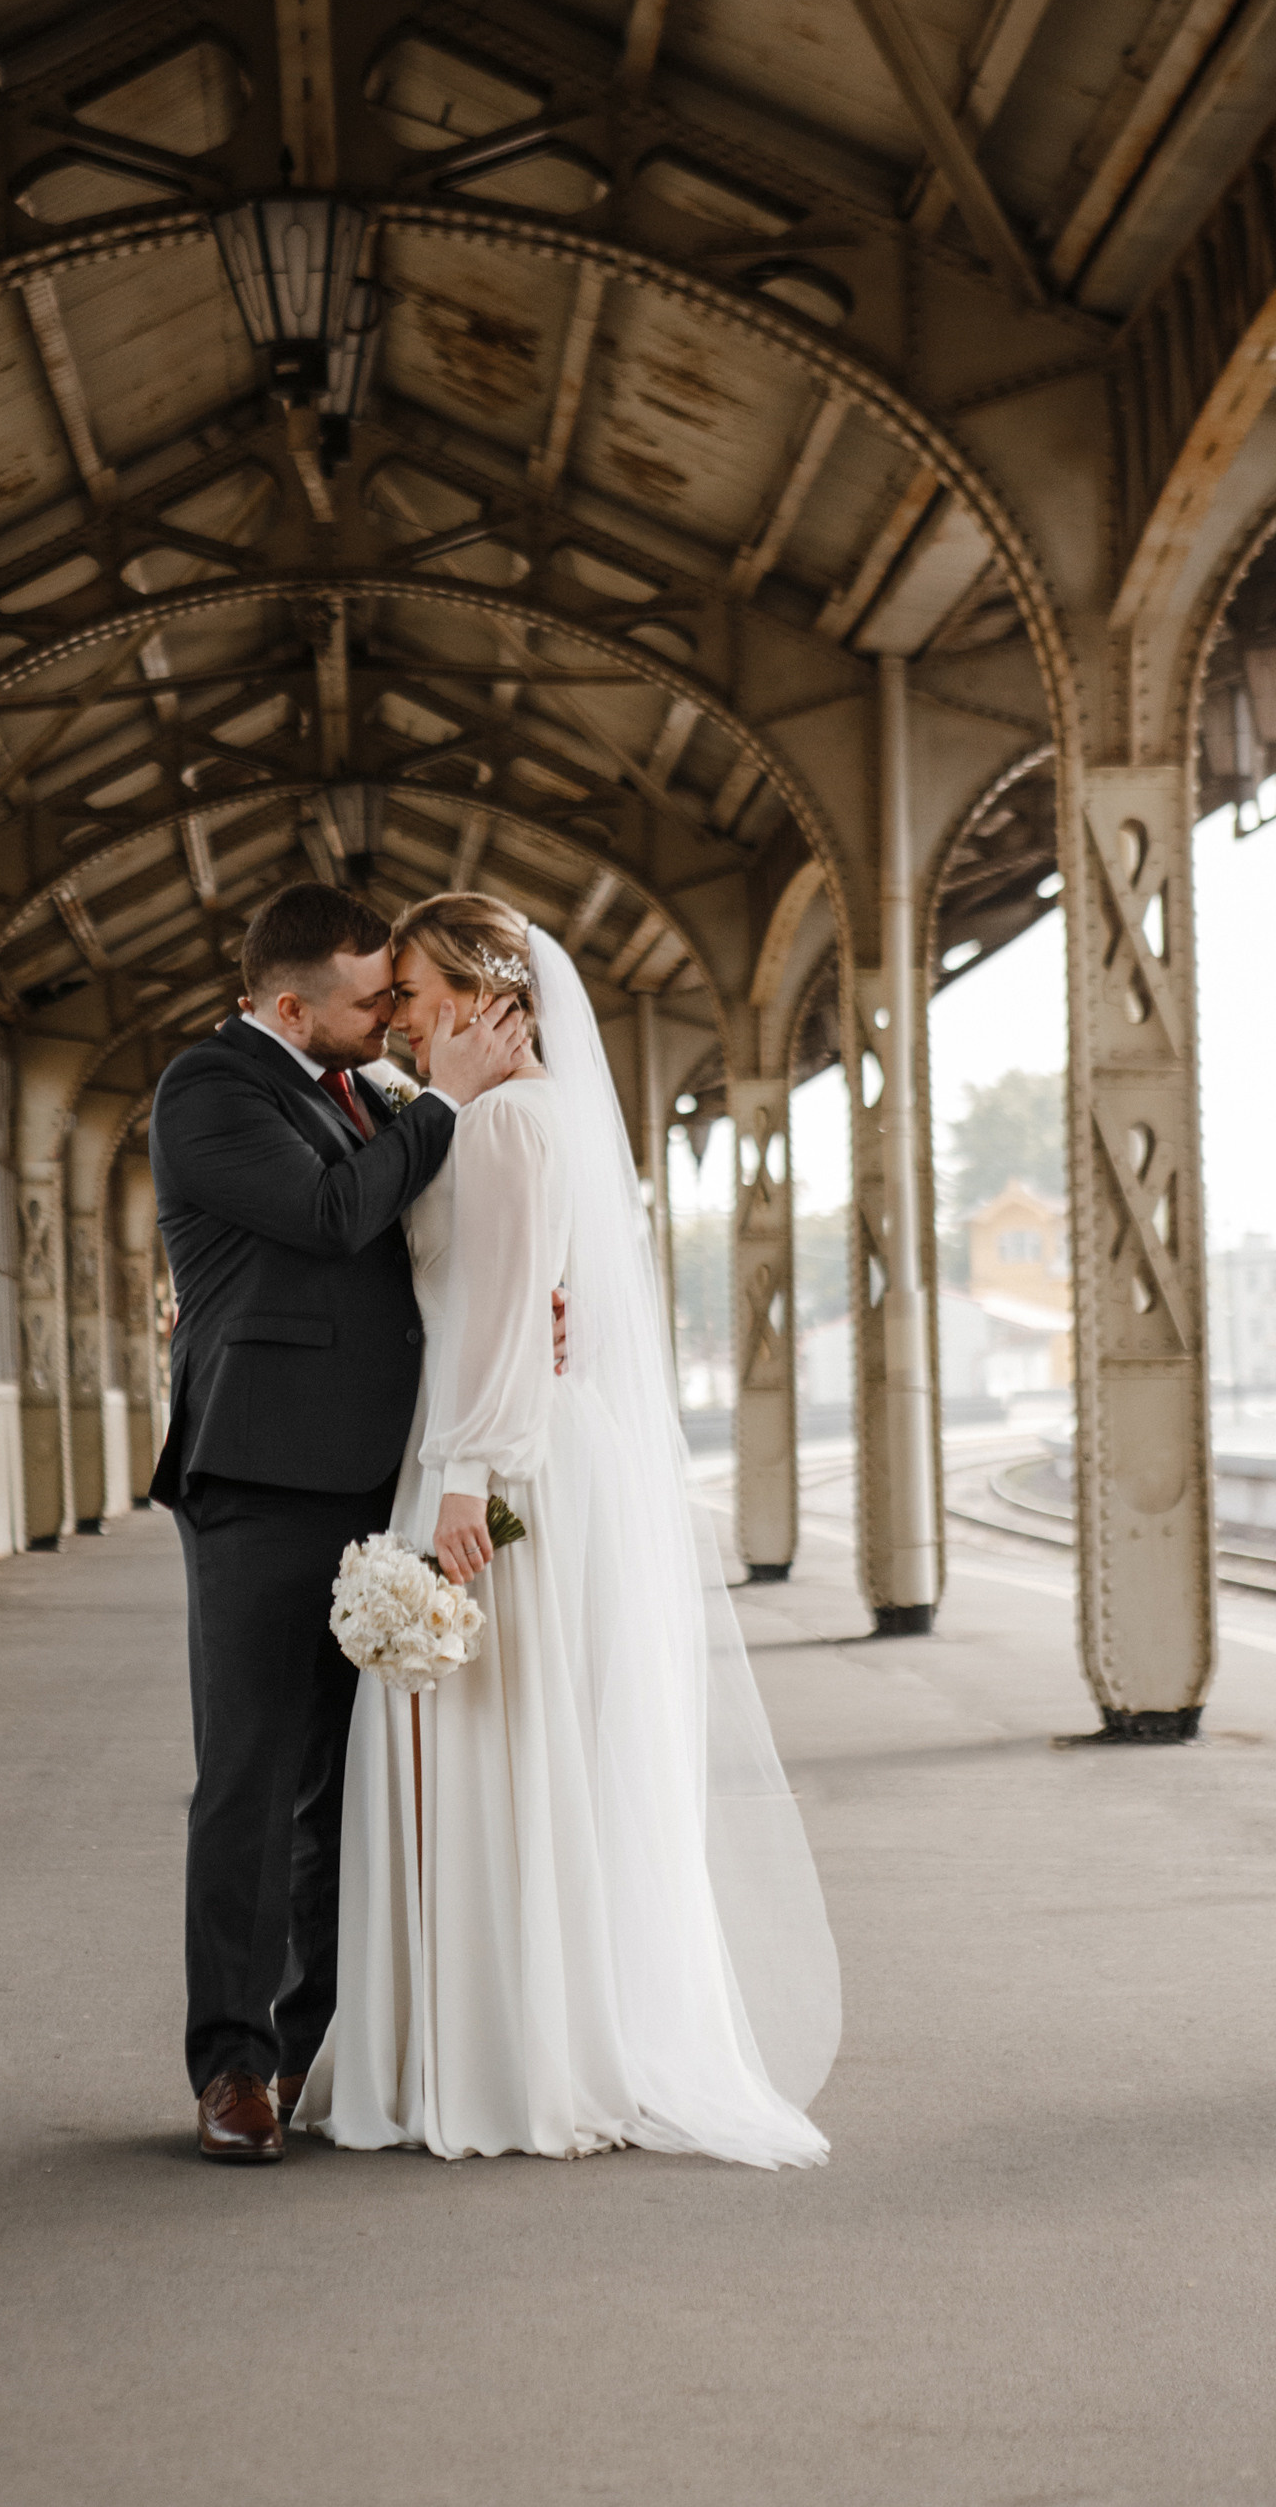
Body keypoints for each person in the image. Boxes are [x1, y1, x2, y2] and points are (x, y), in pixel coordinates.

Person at [297, 892, 840, 2167]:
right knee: (513, 1743)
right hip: (517, 1446)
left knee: (474, 1741)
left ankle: (485, 2059)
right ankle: (510, 2038)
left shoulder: (503, 1125)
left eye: (416, 993)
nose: (400, 1017)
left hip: (490, 1464)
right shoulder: (516, 1114)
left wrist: (462, 1481)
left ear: (486, 997)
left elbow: (497, 1322)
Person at [147, 882, 531, 2164]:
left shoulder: (365, 1091)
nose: (391, 1017)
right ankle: (230, 2061)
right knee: (252, 1774)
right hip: (260, 1476)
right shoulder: (210, 1089)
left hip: (381, 1473)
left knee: (348, 1782)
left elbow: (429, 1256)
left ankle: (314, 2046)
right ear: (289, 1002)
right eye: (371, 999)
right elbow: (329, 1216)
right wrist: (450, 1105)